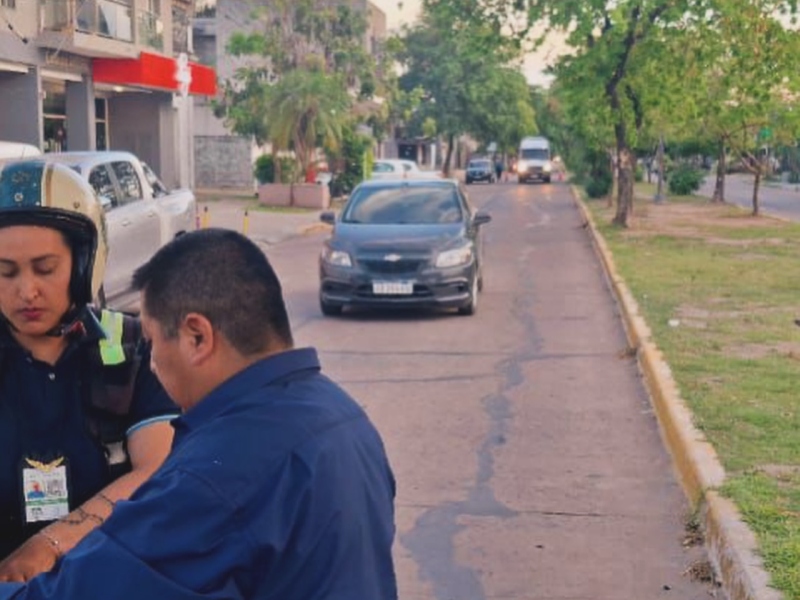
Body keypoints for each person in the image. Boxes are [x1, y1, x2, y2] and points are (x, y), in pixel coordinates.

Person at [0, 228, 398, 599]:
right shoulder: (344, 417)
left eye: (153, 344)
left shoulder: (215, 476)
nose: (152, 364)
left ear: (197, 336)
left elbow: (89, 589)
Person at [0, 161, 179, 582]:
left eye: (45, 268)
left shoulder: (131, 349)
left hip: (105, 583)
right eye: (5, 272)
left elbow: (157, 471)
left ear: (85, 264)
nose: (26, 291)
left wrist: (48, 544)